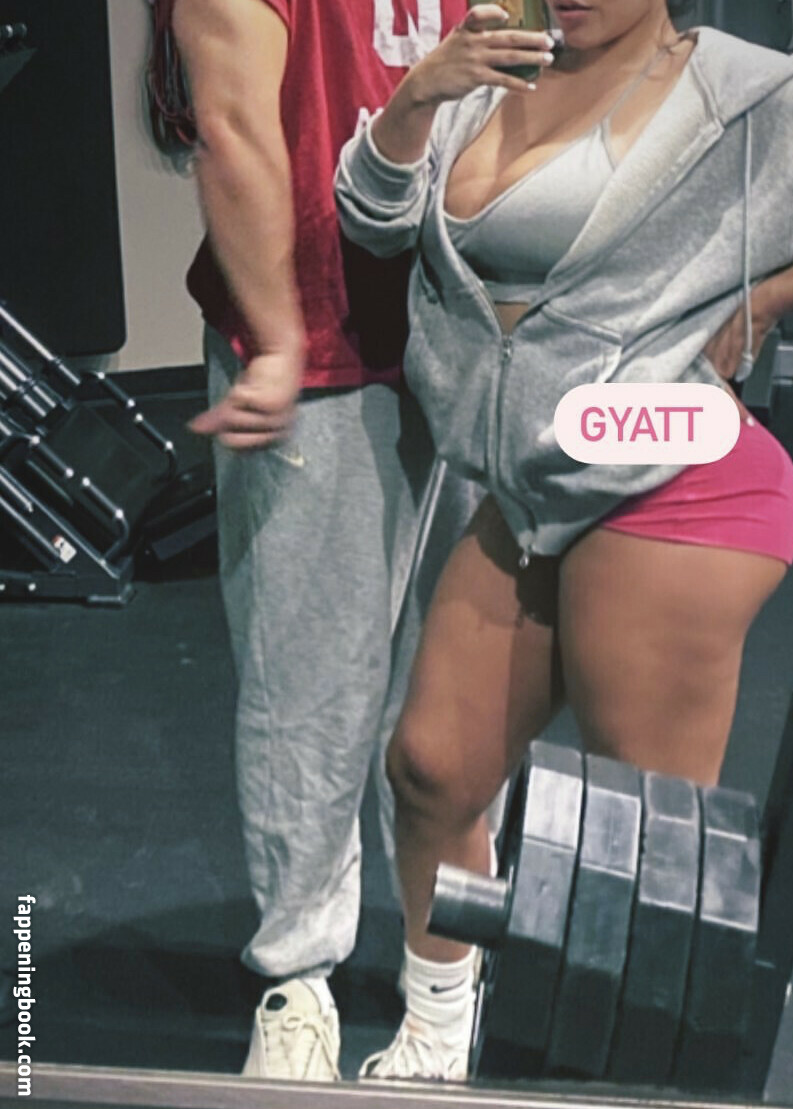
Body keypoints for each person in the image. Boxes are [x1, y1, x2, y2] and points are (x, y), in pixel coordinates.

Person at [335, 0, 793, 1081]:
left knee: (636, 850)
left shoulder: (754, 93)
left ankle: (646, 1082)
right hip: (534, 481)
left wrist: (775, 296)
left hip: (671, 476)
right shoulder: (488, 78)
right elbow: (373, 222)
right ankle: (438, 1035)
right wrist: (417, 99)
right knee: (431, 767)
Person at [170, 0, 476, 1082]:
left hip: (475, 331)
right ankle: (297, 976)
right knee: (311, 681)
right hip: (327, 338)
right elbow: (233, 123)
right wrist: (278, 335)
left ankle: (447, 981)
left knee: (461, 684)